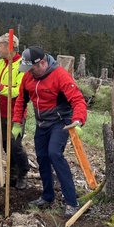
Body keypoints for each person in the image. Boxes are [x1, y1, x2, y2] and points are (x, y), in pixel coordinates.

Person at [12, 46, 87, 217]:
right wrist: (17, 122)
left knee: (54, 154)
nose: (29, 73)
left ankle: (71, 202)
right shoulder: (27, 77)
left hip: (61, 122)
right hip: (42, 123)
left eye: (32, 69)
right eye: (27, 69)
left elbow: (78, 100)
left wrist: (78, 120)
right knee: (42, 157)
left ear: (43, 63)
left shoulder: (60, 75)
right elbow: (21, 100)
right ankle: (47, 196)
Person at [0, 33, 29, 190]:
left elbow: (20, 91)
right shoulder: (0, 63)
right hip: (0, 111)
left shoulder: (23, 65)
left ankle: (23, 173)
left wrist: (1, 88)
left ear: (9, 47)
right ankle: (12, 174)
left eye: (1, 45)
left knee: (15, 145)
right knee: (6, 145)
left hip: (16, 113)